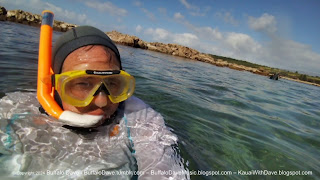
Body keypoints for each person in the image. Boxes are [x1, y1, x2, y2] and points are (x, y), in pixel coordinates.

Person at [37, 25, 189, 179]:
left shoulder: (139, 116)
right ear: (55, 86)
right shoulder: (16, 110)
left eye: (112, 83)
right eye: (82, 83)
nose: (102, 102)